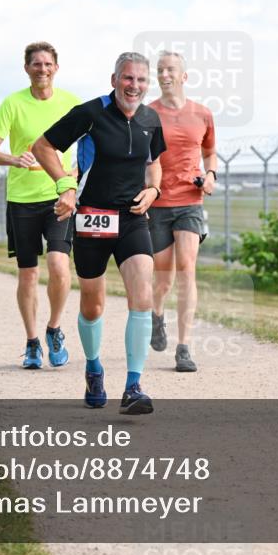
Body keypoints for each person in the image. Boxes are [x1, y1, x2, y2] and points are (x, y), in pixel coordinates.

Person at [32, 52, 165, 415]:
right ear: (114, 80)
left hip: (133, 218)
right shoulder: (90, 114)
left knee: (142, 295)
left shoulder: (151, 119)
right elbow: (42, 147)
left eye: (140, 80)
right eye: (128, 78)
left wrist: (153, 191)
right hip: (92, 217)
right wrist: (65, 185)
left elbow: (155, 165)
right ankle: (93, 368)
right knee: (93, 305)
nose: (134, 86)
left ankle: (134, 386)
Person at [0, 41, 82, 369]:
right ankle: (32, 342)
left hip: (58, 197)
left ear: (56, 68)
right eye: (36, 64)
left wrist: (73, 176)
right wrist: (13, 158)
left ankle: (54, 328)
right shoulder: (12, 104)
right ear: (27, 68)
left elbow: (88, 146)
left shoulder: (71, 103)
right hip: (22, 200)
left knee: (58, 265)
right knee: (28, 274)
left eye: (48, 64)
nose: (42, 69)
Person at [147, 51, 217, 372]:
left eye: (170, 69)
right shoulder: (147, 114)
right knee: (163, 280)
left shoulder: (202, 114)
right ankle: (157, 315)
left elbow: (209, 150)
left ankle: (184, 347)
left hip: (190, 200)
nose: (164, 74)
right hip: (159, 203)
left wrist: (211, 174)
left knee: (187, 268)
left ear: (184, 76)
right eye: (160, 70)